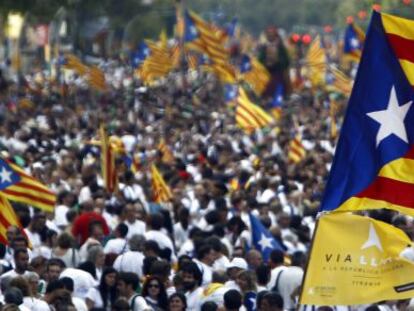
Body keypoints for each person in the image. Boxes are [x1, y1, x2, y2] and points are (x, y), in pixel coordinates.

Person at [257, 25, 291, 97]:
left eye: (272, 34)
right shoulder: (264, 47)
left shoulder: (280, 47)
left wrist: (277, 61)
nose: (270, 36)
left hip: (278, 75)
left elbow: (286, 62)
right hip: (266, 75)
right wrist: (265, 62)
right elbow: (259, 61)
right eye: (268, 34)